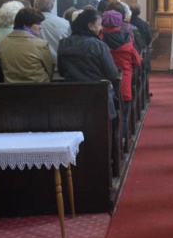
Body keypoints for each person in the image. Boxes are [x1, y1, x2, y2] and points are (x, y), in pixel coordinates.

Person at [58, 8, 120, 119]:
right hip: (97, 96)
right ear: (90, 26)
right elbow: (112, 74)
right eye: (99, 25)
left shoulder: (63, 43)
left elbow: (62, 71)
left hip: (72, 96)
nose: (101, 28)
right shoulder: (98, 45)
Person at [101, 10, 142, 143]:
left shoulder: (99, 39)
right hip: (123, 82)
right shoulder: (126, 38)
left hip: (103, 83)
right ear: (119, 22)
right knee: (122, 115)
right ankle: (121, 141)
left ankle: (105, 142)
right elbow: (137, 61)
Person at [0, 8, 54, 83]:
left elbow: (2, 68)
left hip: (11, 90)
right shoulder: (41, 45)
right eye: (38, 23)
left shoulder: (2, 43)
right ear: (26, 24)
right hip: (38, 89)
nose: (41, 27)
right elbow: (49, 70)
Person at [33, 0, 71, 71]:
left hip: (38, 70)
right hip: (61, 69)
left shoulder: (30, 24)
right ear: (52, 6)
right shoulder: (65, 23)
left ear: (35, 6)